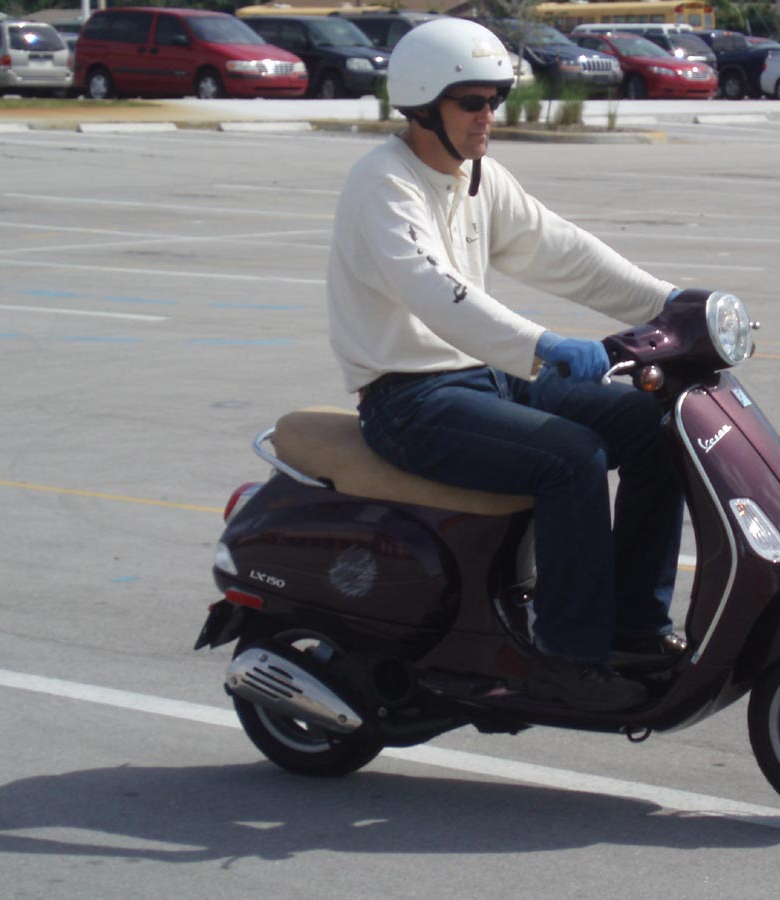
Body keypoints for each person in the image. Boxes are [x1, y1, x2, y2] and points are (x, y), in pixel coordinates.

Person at [325, 17, 685, 713]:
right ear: (422, 104)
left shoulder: (478, 176)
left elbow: (563, 251)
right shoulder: (383, 183)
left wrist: (671, 303)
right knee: (570, 458)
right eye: (472, 102)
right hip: (410, 402)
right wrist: (544, 344)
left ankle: (635, 625)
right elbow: (436, 293)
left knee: (655, 426)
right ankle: (566, 658)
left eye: (495, 100)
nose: (489, 114)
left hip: (484, 377)